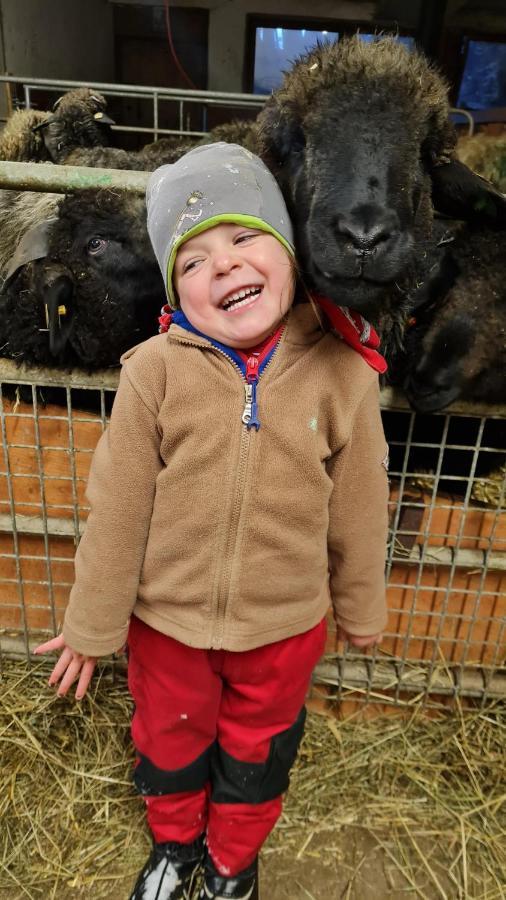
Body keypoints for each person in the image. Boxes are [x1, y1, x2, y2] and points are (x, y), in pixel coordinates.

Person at [35, 143, 390, 900]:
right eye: (191, 261)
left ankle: (232, 861)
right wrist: (95, 626)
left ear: (292, 256)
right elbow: (118, 511)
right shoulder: (154, 373)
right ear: (173, 292)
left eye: (243, 237)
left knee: (258, 754)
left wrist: (360, 604)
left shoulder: (343, 375)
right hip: (167, 626)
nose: (221, 265)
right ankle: (173, 848)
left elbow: (360, 504)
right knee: (168, 740)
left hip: (284, 629)